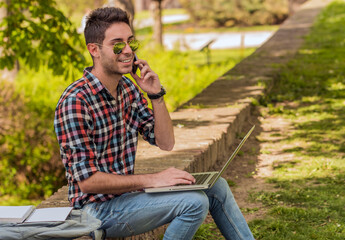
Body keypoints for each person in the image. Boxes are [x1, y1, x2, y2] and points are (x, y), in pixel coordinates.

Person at [54, 7, 254, 240]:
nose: (128, 51)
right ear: (94, 50)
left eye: (131, 42)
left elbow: (166, 142)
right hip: (94, 211)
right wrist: (153, 179)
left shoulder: (128, 89)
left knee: (216, 187)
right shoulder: (76, 102)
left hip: (125, 198)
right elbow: (87, 182)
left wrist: (156, 96)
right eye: (118, 45)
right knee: (194, 203)